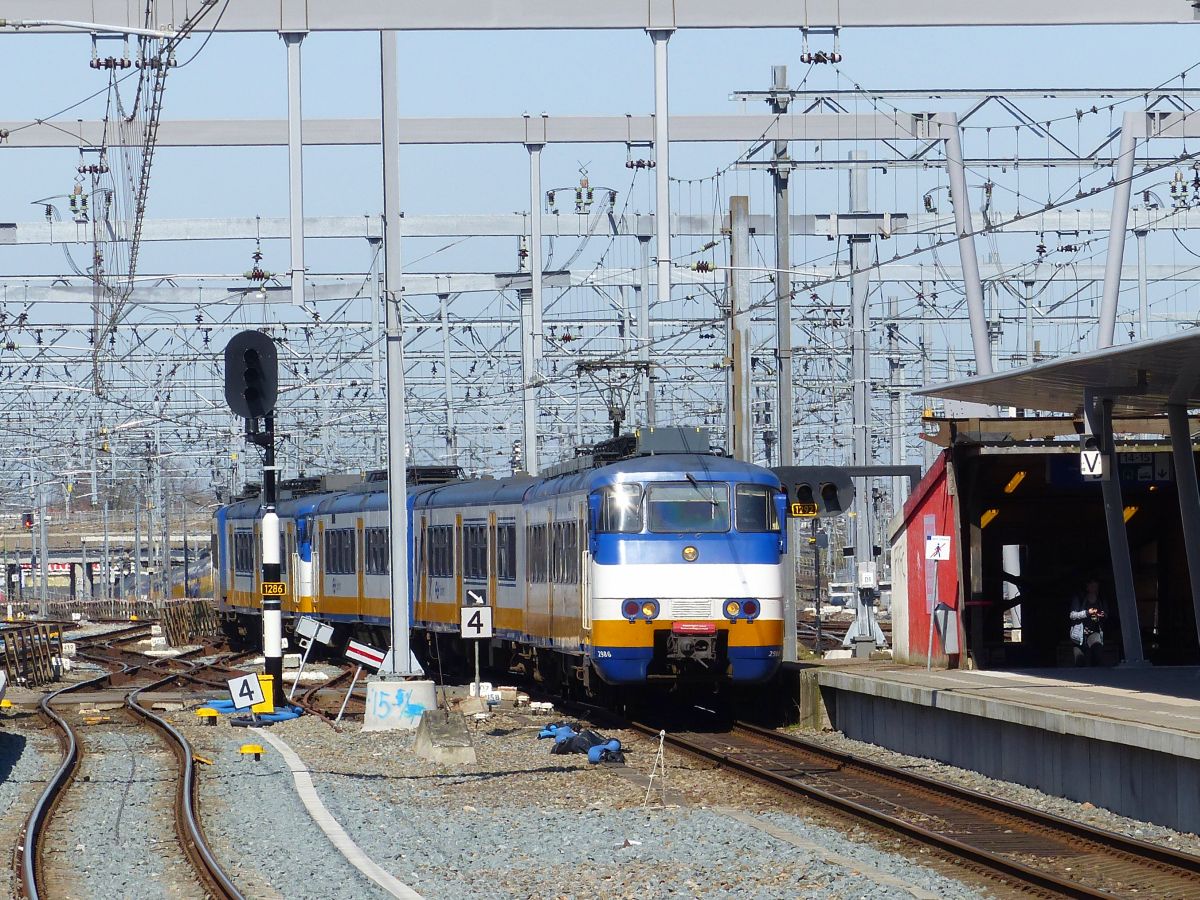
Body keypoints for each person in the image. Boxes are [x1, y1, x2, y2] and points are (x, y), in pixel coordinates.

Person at [1068, 578, 1107, 666]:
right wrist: (1087, 612)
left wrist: (1101, 615)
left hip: (1094, 632)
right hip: (1079, 634)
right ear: (1087, 587)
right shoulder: (1079, 598)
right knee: (1080, 661)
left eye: (1096, 587)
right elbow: (1072, 615)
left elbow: (1106, 613)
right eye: (1092, 586)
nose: (1095, 589)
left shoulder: (1100, 599)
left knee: (1098, 653)